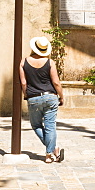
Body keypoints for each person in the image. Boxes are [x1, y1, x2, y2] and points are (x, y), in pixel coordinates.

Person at [19, 35, 64, 163]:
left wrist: (26, 95)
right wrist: (61, 96)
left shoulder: (23, 62)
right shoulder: (50, 62)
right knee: (50, 126)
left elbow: (23, 83)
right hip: (50, 97)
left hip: (33, 98)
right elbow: (56, 82)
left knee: (36, 125)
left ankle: (51, 150)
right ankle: (51, 152)